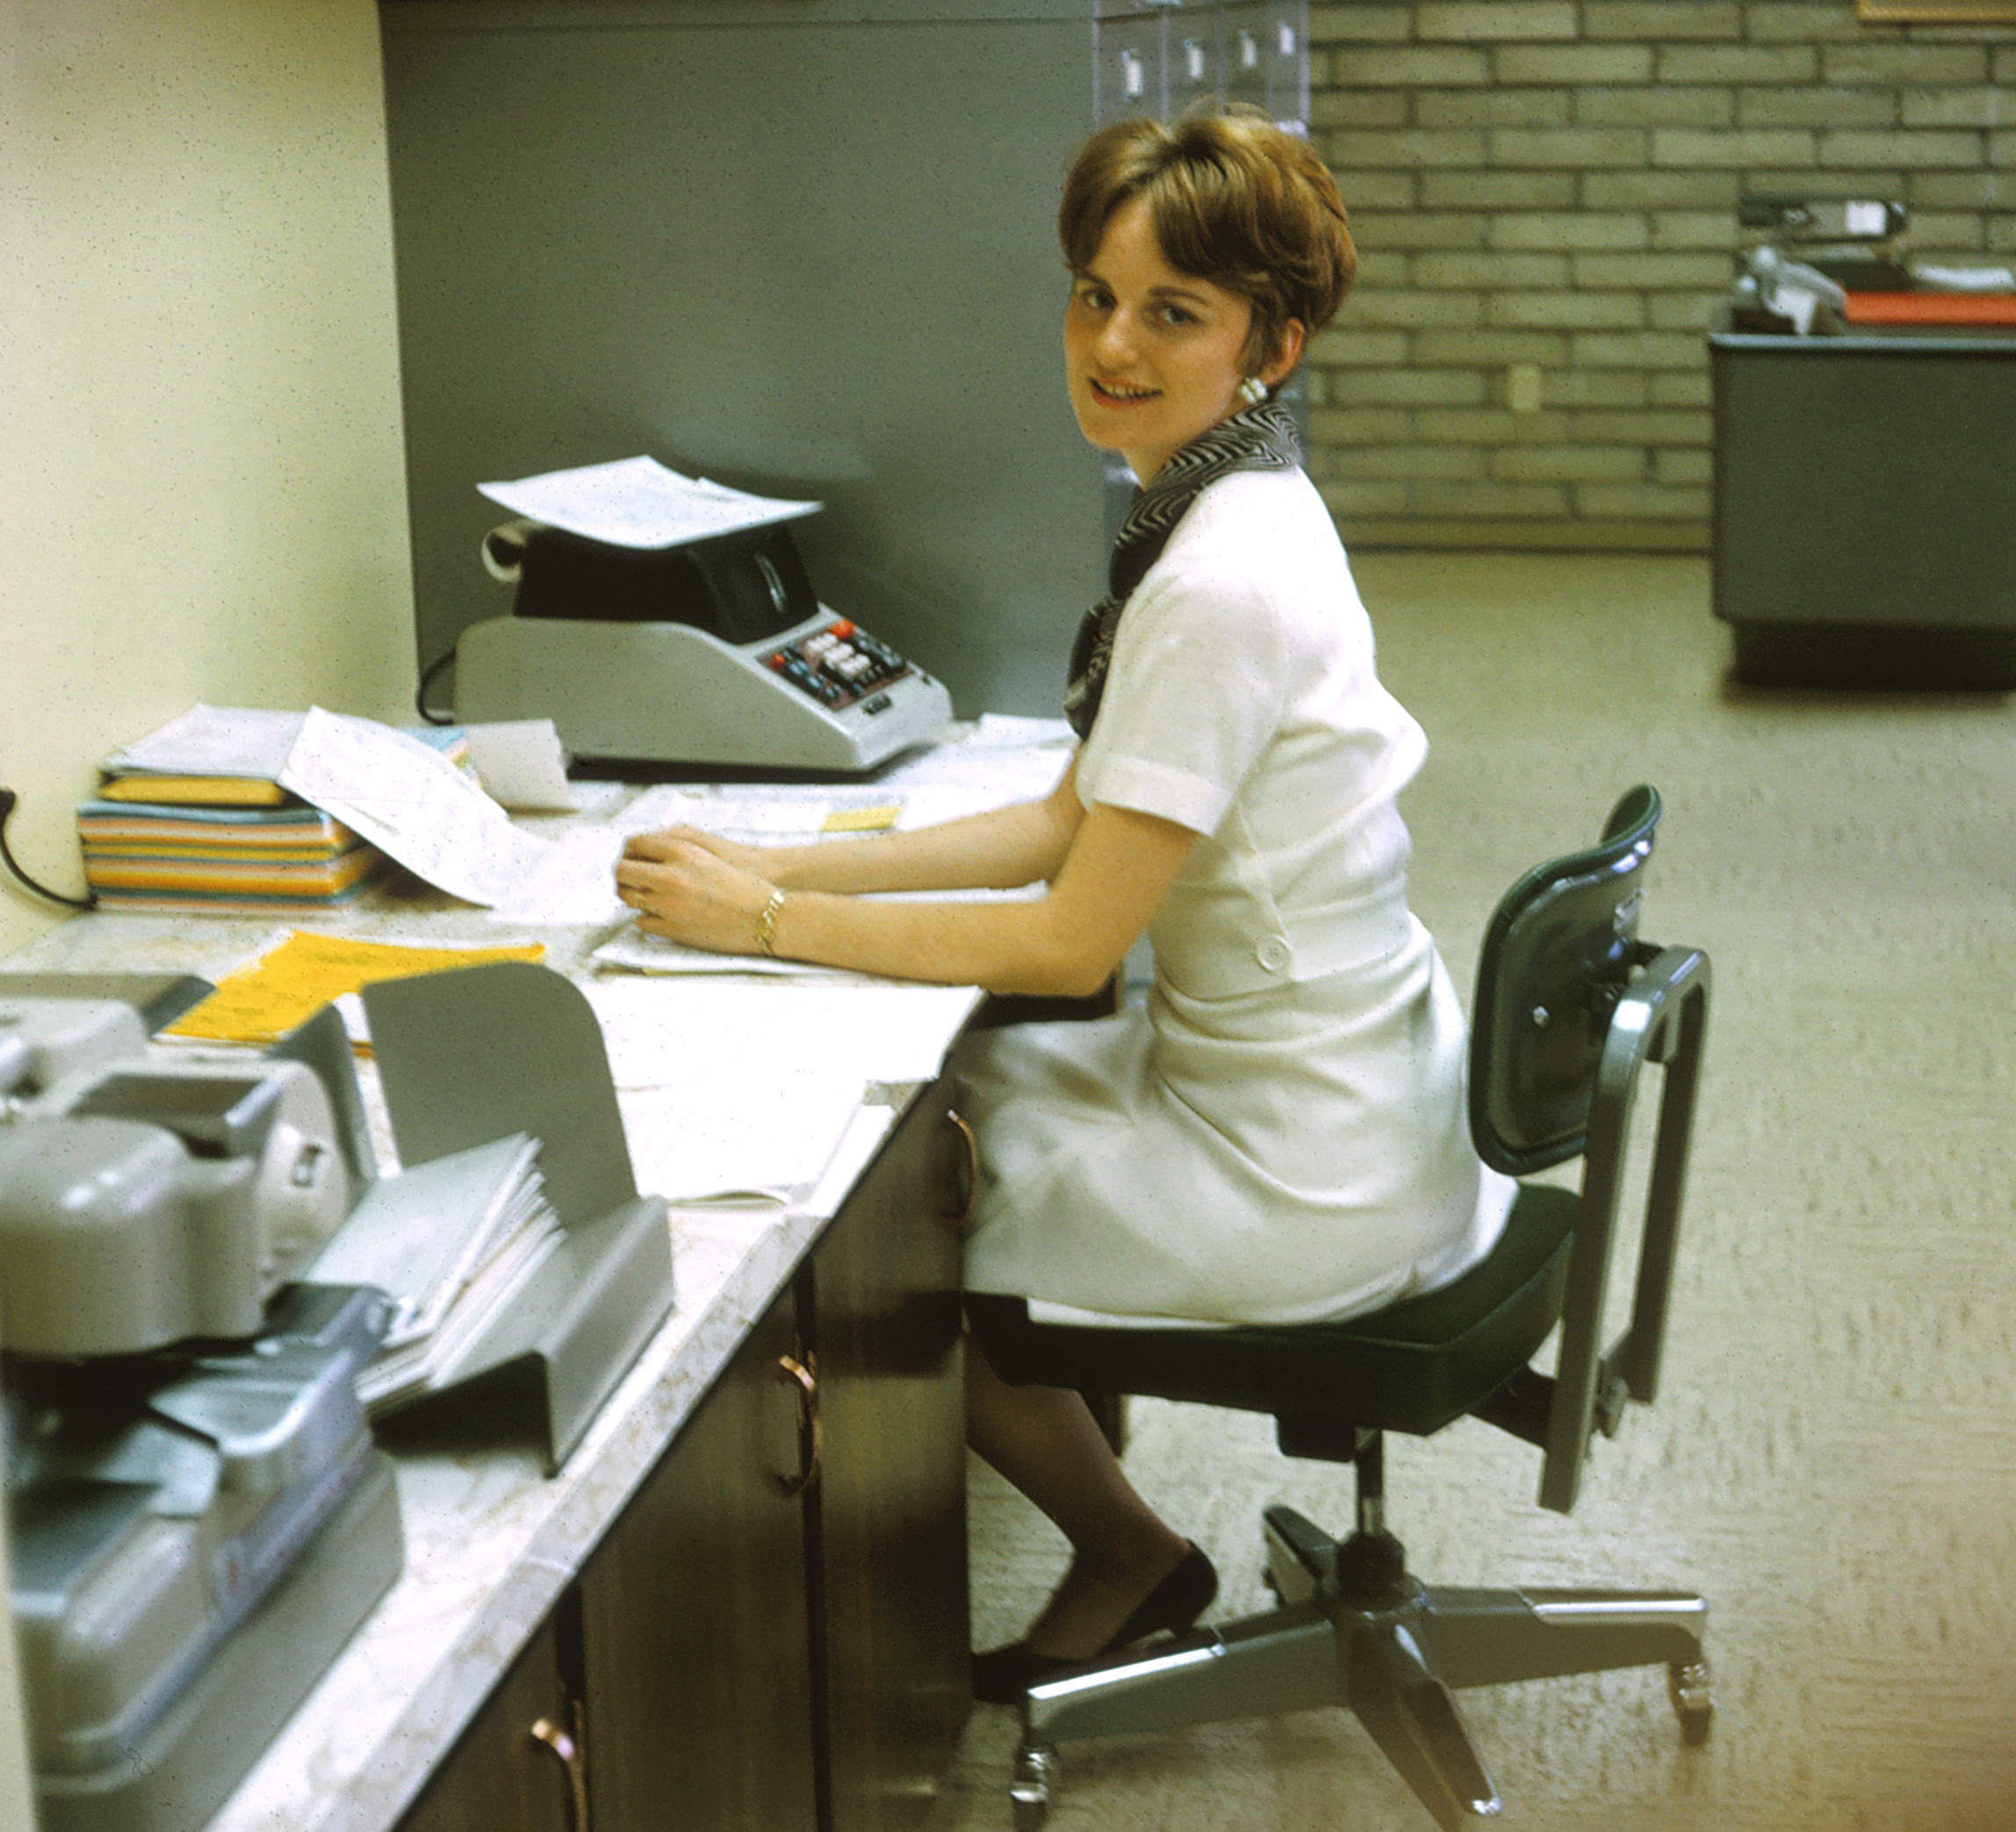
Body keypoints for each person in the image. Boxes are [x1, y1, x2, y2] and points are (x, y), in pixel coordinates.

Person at [613, 105, 1513, 1701]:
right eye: (1095, 294)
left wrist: (758, 927)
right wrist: (784, 866)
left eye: (1174, 312)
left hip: (1304, 1166)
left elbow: (1067, 933)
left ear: (1271, 341)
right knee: (956, 1105)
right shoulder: (1234, 501)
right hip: (1356, 1087)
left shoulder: (1221, 577)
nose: (1113, 341)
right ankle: (1104, 1491)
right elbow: (1062, 819)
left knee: (876, 1214)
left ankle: (1128, 1549)